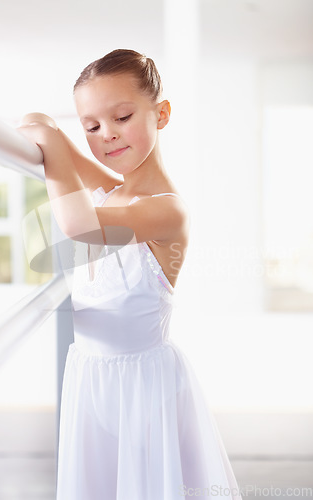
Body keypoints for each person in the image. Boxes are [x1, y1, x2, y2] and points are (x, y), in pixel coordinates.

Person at [18, 49, 242, 500]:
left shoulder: (165, 209)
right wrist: (44, 127)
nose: (107, 135)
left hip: (142, 389)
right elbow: (64, 153)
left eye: (121, 116)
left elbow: (80, 225)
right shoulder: (112, 190)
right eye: (92, 126)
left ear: (161, 114)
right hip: (89, 378)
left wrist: (53, 137)